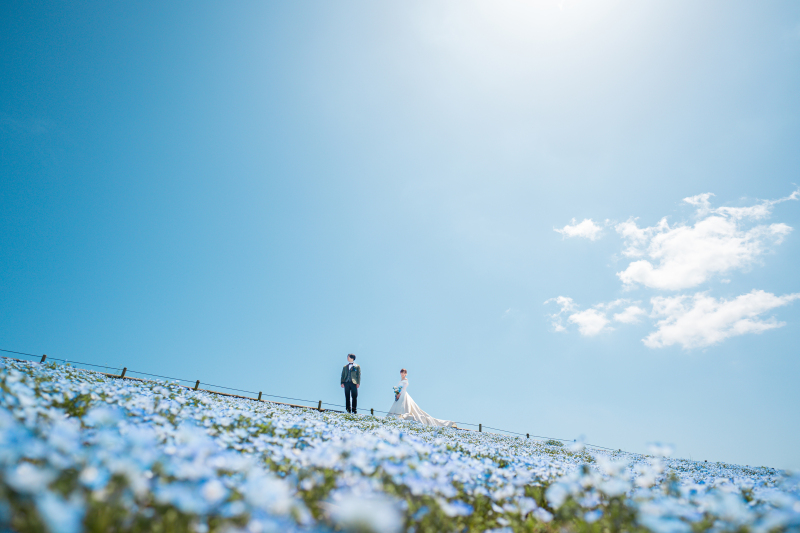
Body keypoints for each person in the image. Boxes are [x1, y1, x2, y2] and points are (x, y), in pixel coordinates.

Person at [386, 368, 456, 427]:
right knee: (397, 406)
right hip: (399, 395)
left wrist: (399, 394)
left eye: (404, 372)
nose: (402, 373)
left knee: (403, 407)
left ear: (405, 374)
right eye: (401, 372)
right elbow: (398, 388)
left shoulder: (406, 380)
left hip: (403, 394)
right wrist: (396, 394)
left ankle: (400, 416)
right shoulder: (399, 381)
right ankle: (395, 416)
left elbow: (404, 388)